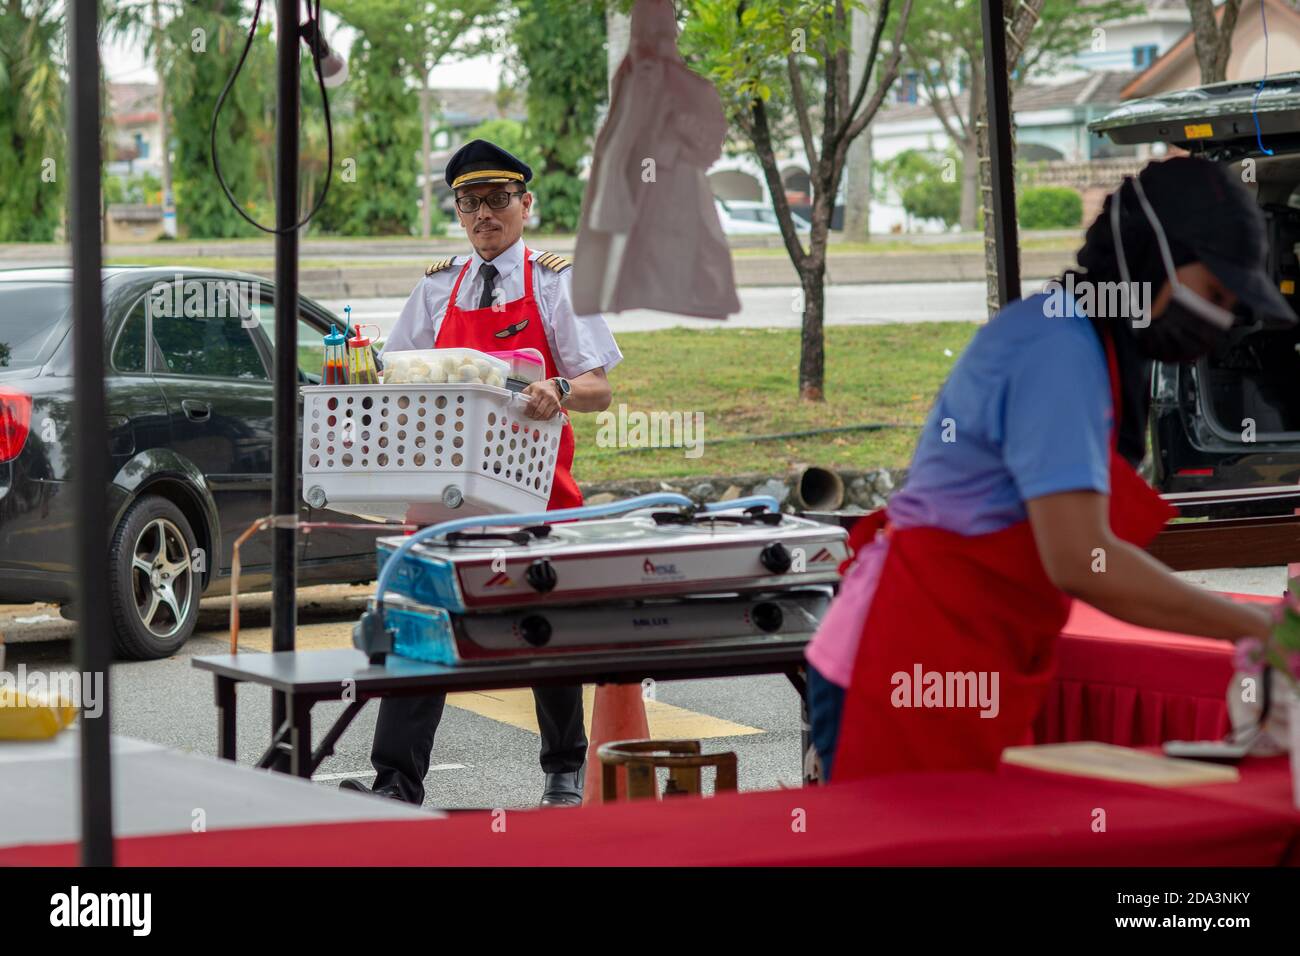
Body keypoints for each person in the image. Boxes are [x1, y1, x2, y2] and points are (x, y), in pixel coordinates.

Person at [804, 156, 1295, 782]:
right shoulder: (1058, 347)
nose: (1221, 320)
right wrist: (1256, 624)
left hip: (972, 655)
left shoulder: (1100, 351)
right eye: (1215, 293)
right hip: (909, 656)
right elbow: (1080, 557)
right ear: (1153, 255)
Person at [342, 139, 622, 807]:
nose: (483, 216)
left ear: (527, 205)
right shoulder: (437, 287)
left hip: (534, 489)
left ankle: (564, 772)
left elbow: (598, 387)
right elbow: (391, 375)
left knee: (541, 626)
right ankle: (398, 784)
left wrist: (558, 385)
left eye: (497, 200)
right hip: (445, 493)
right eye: (469, 204)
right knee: (420, 626)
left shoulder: (555, 282)